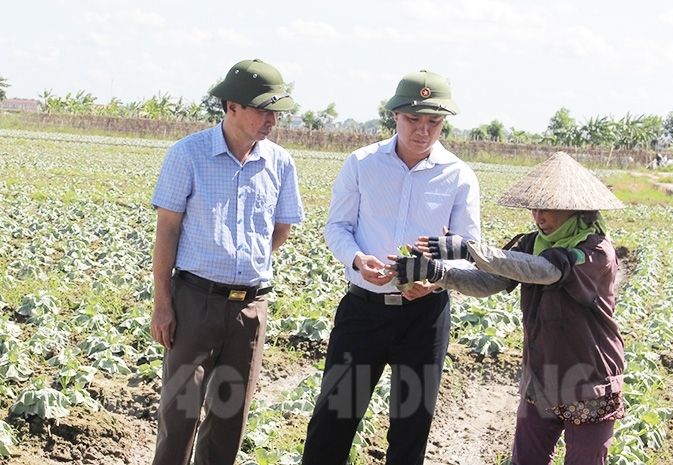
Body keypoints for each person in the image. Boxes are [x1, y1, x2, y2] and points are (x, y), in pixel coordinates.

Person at [392, 152, 625, 465]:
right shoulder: (531, 243)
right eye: (535, 207)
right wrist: (437, 273)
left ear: (576, 209)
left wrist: (470, 248)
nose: (539, 216)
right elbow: (492, 281)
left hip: (589, 382)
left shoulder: (595, 253)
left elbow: (545, 271)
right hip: (541, 378)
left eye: (549, 209)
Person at [302, 69, 481, 465]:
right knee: (334, 419)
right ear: (395, 117)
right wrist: (356, 259)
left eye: (433, 122)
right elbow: (338, 226)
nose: (422, 130)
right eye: (413, 120)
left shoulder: (459, 177)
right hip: (364, 311)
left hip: (425, 316)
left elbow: (469, 250)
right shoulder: (362, 164)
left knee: (411, 426)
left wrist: (434, 281)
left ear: (444, 123)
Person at [149, 58, 304, 465]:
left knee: (228, 418)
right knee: (180, 412)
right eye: (263, 109)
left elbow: (281, 228)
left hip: (249, 310)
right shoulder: (189, 154)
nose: (272, 119)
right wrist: (163, 304)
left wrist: (243, 262)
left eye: (277, 111)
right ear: (231, 106)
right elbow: (167, 229)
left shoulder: (280, 163)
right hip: (194, 303)